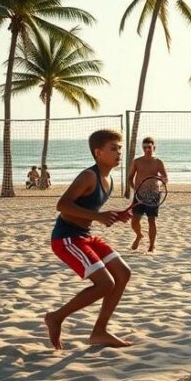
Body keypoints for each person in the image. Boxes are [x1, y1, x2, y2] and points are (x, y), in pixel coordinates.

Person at [44, 129, 132, 350]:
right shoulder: (88, 176)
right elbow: (62, 206)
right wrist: (98, 217)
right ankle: (56, 317)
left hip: (84, 236)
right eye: (114, 148)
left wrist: (114, 214)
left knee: (123, 273)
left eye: (120, 148)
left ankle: (99, 332)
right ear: (98, 152)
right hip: (66, 238)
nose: (119, 152)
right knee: (105, 284)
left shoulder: (108, 179)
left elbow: (89, 208)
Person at [126, 136, 168, 252]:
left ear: (154, 147)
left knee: (151, 220)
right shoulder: (137, 161)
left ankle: (151, 246)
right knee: (134, 221)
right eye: (144, 147)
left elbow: (165, 178)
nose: (147, 149)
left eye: (149, 147)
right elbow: (130, 178)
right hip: (139, 194)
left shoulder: (158, 162)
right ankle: (139, 235)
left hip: (154, 194)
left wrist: (161, 179)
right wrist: (134, 189)